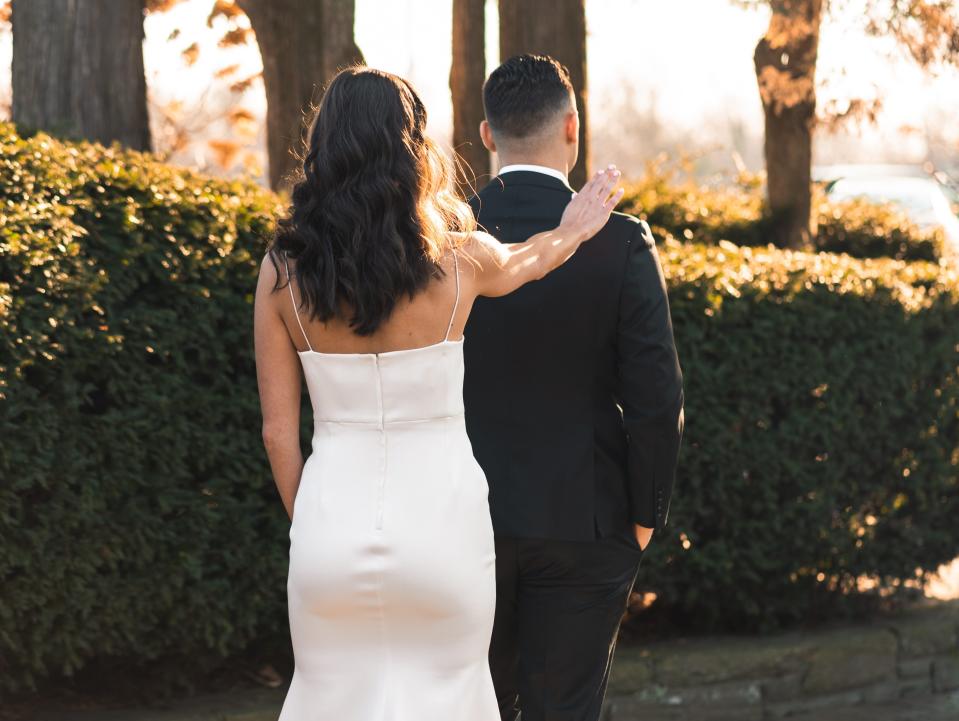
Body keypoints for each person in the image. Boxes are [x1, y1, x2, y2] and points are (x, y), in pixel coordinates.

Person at [253, 65, 624, 721]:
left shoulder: (281, 269)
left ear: (324, 146)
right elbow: (530, 259)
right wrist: (574, 225)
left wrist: (310, 523)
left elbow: (278, 433)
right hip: (443, 530)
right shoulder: (457, 260)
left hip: (329, 531)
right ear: (412, 147)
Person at [463, 54, 685, 721]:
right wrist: (643, 516)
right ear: (572, 127)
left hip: (462, 517)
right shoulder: (619, 242)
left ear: (485, 135)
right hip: (587, 520)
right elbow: (656, 398)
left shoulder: (443, 241)